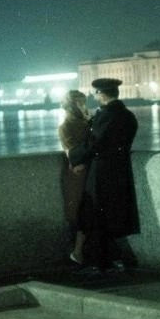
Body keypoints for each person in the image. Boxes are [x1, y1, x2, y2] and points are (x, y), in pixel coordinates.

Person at [68, 78, 140, 273]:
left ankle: (101, 263)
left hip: (102, 171)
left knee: (95, 213)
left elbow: (95, 143)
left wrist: (73, 155)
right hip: (121, 170)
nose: (94, 96)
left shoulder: (107, 116)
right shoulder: (128, 115)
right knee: (113, 215)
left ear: (101, 94)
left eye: (96, 93)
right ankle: (111, 261)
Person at [57, 90, 91, 264]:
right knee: (78, 211)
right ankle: (78, 253)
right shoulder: (66, 126)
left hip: (84, 171)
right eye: (80, 102)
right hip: (77, 174)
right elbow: (72, 153)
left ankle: (80, 253)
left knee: (85, 211)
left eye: (83, 102)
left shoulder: (86, 122)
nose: (83, 106)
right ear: (72, 105)